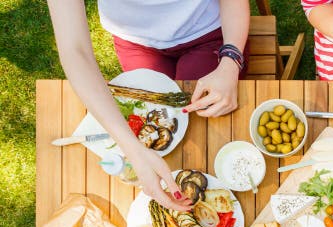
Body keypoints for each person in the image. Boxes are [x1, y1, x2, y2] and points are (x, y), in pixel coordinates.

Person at [46, 0, 251, 211]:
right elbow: (74, 50)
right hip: (135, 41)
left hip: (208, 31)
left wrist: (230, 62)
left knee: (203, 122)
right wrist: (133, 150)